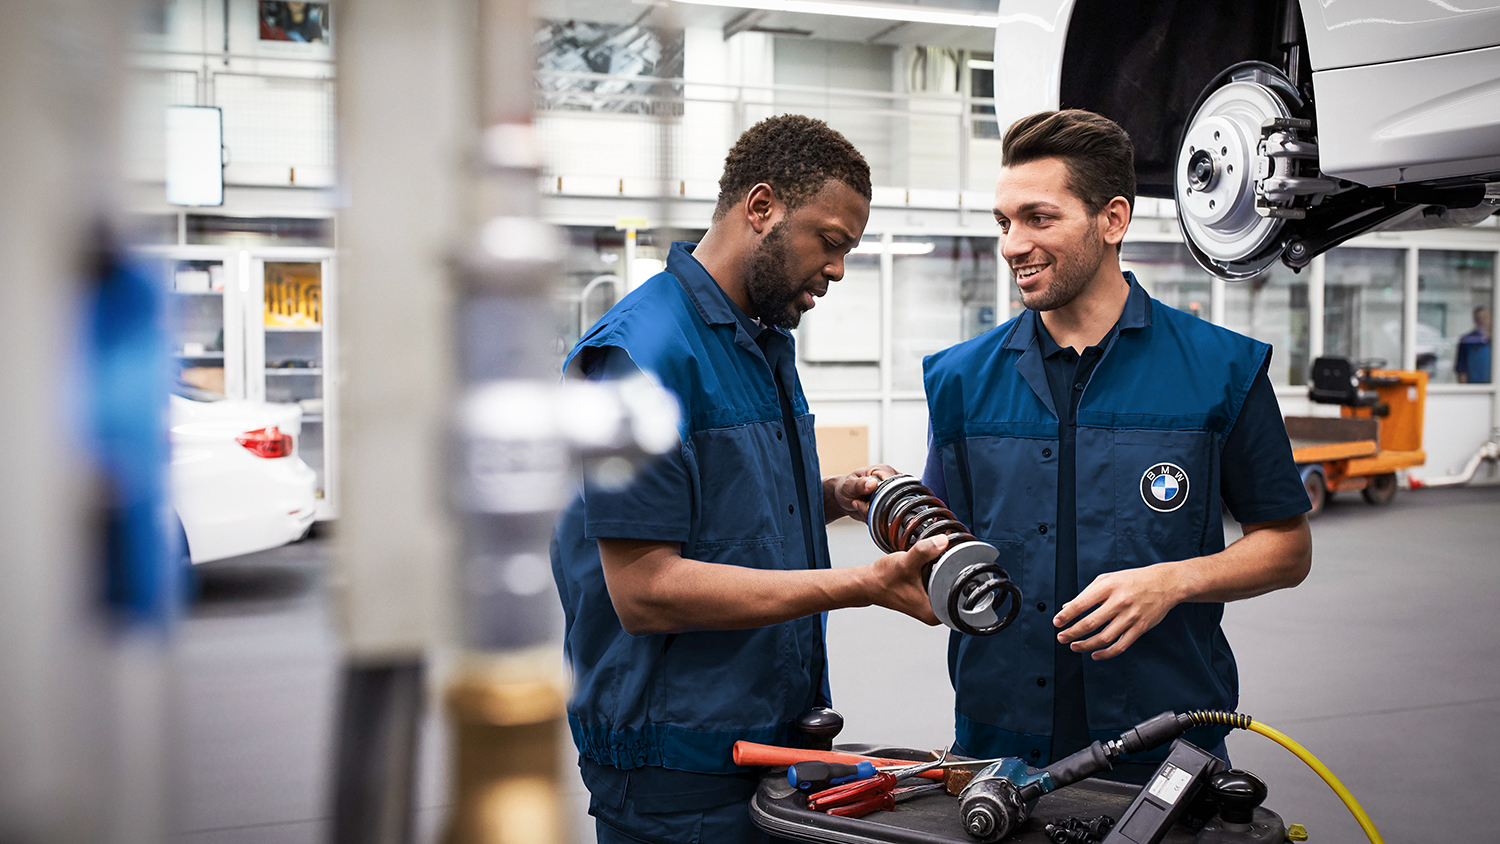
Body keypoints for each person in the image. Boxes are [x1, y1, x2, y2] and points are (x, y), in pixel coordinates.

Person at [551, 115, 946, 844]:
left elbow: (718, 510)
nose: (837, 270)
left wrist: (831, 499)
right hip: (678, 770)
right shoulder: (634, 358)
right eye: (831, 243)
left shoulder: (760, 341)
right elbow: (644, 590)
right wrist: (866, 585)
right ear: (760, 207)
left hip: (771, 738)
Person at [921, 110, 1313, 783]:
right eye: (1004, 223)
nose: (1013, 244)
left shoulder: (1221, 371)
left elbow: (1287, 545)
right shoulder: (958, 379)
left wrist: (1175, 579)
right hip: (997, 742)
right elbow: (937, 548)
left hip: (1163, 743)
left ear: (1113, 220)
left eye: (1039, 218)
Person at [1456, 306, 1491, 384]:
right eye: (1479, 318)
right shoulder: (1467, 340)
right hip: (1473, 384)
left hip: (1494, 383)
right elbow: (1461, 366)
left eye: (1485, 317)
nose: (1482, 321)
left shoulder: (1495, 340)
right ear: (1475, 319)